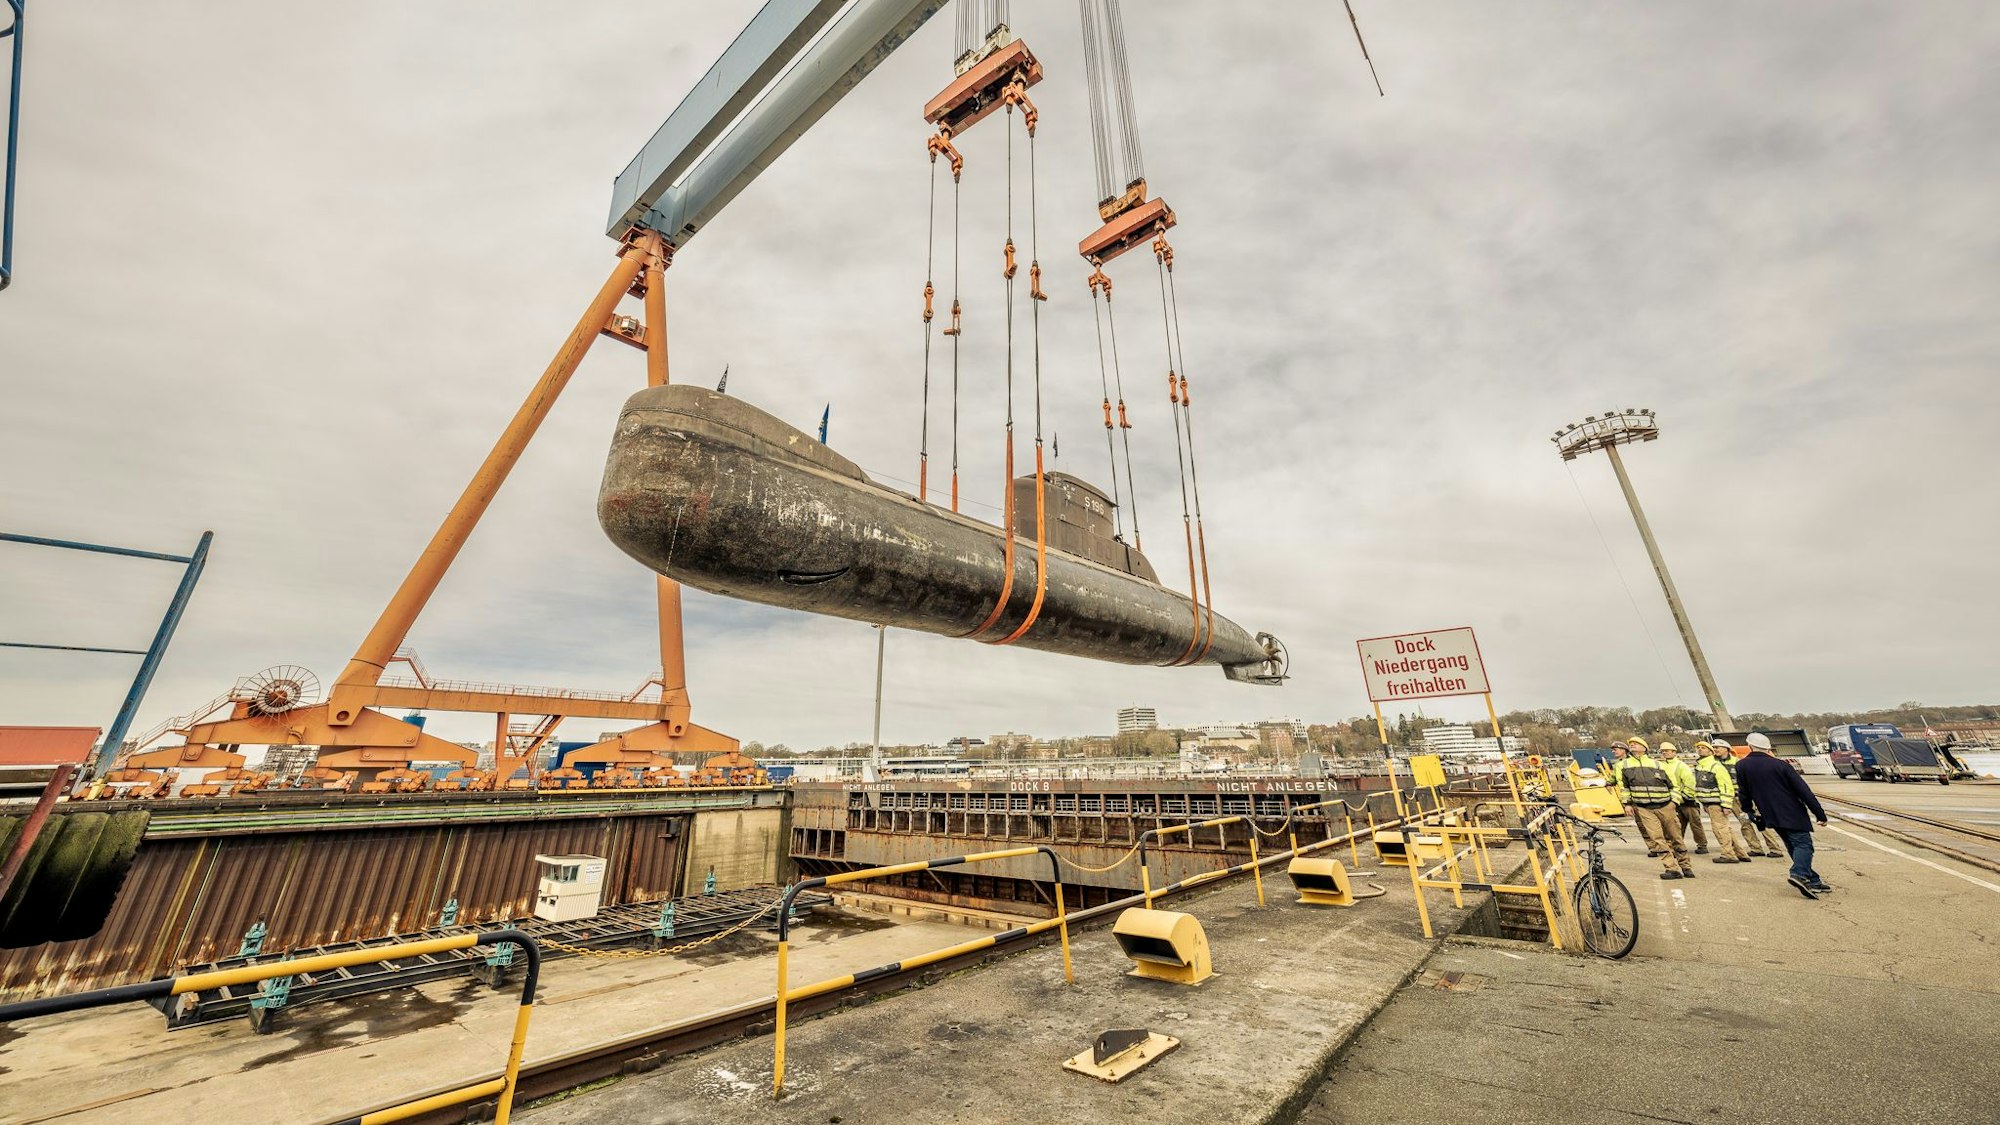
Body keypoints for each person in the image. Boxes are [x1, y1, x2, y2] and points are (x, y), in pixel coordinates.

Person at [1734, 733, 1831, 898]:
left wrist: (1748, 810)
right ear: (1769, 749)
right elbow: (1803, 790)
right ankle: (1799, 874)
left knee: (1793, 846)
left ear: (1750, 746)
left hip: (1769, 813)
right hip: (1791, 811)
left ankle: (1813, 880)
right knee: (1804, 845)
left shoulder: (1742, 766)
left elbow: (1744, 792)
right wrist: (1819, 814)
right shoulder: (1780, 765)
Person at [1615, 737, 1694, 879]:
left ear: (1644, 748)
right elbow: (1625, 787)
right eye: (1631, 744)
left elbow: (1674, 785)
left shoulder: (1658, 765)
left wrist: (1674, 802)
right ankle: (1671, 868)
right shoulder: (1624, 766)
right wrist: (1627, 804)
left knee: (1675, 836)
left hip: (1665, 805)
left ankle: (1686, 866)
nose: (1632, 745)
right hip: (1644, 808)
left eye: (1636, 743)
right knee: (1657, 839)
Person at [1717, 739, 1783, 857]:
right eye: (1714, 748)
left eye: (1718, 747)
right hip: (1731, 799)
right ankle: (1756, 848)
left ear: (1727, 749)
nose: (1715, 750)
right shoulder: (1716, 764)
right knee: (1745, 823)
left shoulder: (1737, 763)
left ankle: (1775, 848)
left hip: (1744, 797)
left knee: (1759, 821)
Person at [1691, 742, 1749, 863]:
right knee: (1725, 828)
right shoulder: (1700, 766)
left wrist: (1726, 805)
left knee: (1720, 829)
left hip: (1716, 803)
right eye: (1699, 748)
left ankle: (1728, 854)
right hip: (1708, 803)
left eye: (1704, 748)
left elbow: (1726, 787)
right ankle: (1740, 853)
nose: (1700, 750)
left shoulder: (1716, 767)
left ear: (1711, 752)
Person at [1658, 741, 1709, 854]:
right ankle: (1677, 845)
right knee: (1676, 826)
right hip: (1674, 801)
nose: (1664, 753)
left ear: (1674, 752)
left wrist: (1686, 796)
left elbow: (1690, 783)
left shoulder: (1681, 766)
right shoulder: (1662, 766)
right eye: (1662, 751)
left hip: (1688, 801)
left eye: (1666, 751)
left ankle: (1702, 845)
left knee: (1695, 825)